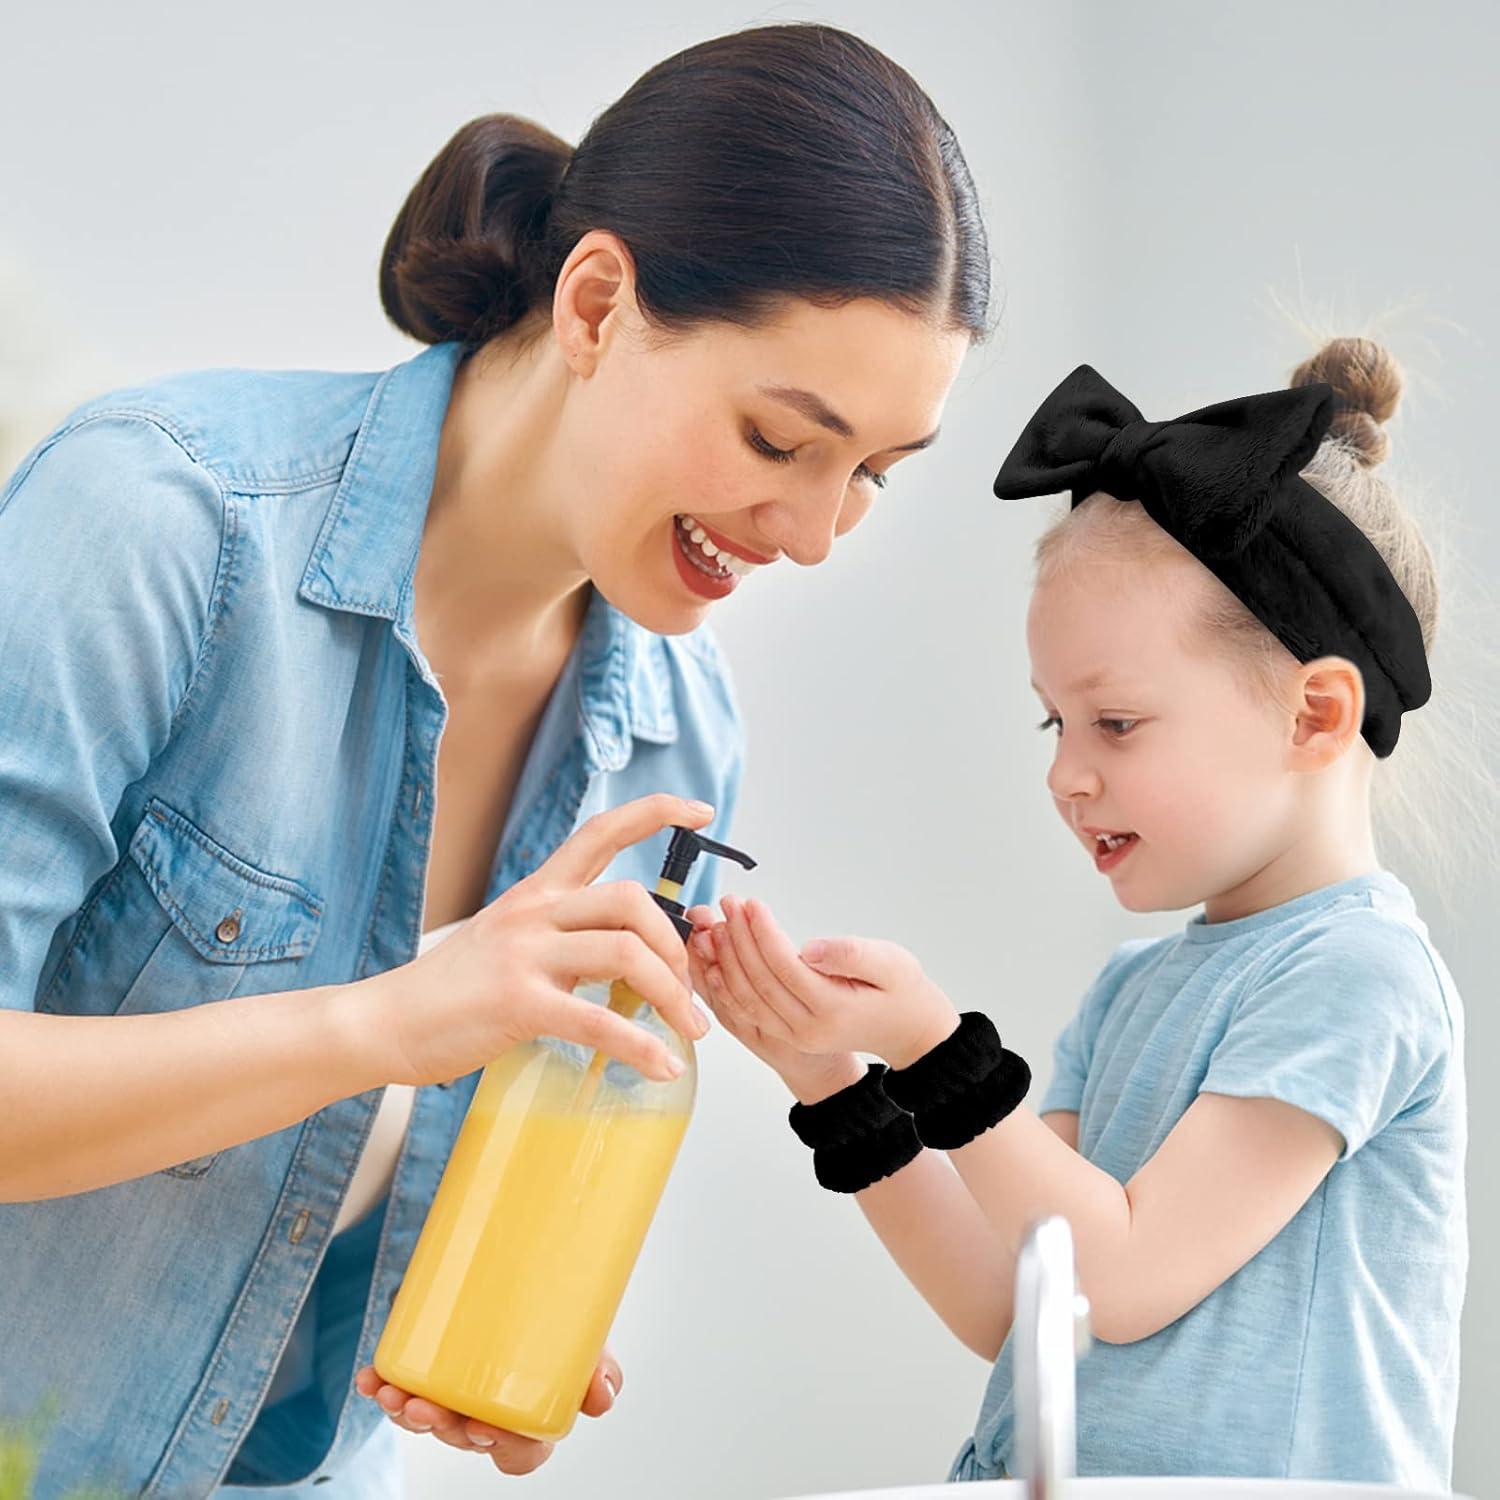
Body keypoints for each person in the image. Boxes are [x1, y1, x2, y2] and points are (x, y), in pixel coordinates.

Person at [0, 21, 991, 1498]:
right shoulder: (160, 522)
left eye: (871, 479)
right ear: (595, 301)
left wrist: (470, 1318)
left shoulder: (677, 732)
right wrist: (390, 1020)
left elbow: (346, 1205)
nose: (813, 533)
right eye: (783, 439)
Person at [690, 338, 1473, 1489]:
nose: (1067, 775)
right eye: (1054, 726)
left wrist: (932, 1051)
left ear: (1313, 718)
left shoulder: (1355, 976)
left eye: (1115, 724)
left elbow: (1128, 1273)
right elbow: (1019, 1300)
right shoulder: (1133, 990)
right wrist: (833, 1077)